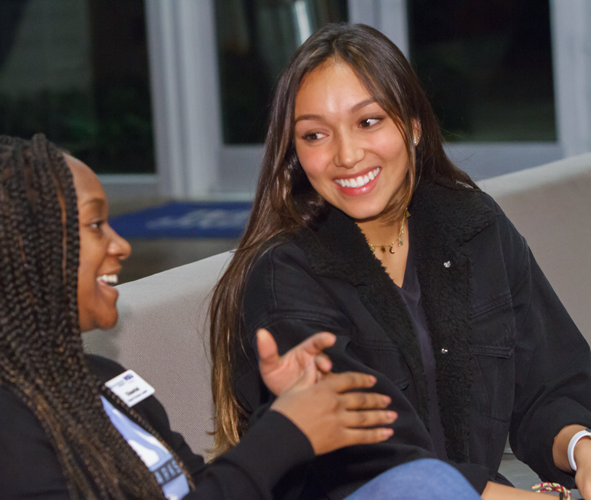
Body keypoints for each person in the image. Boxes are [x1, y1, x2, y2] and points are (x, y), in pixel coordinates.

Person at [0, 134, 481, 500]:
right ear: (24, 251)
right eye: (98, 225)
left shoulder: (96, 380)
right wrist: (283, 436)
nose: (120, 245)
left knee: (424, 486)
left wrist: (289, 411)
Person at [209, 22, 591, 500]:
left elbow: (550, 385)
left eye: (368, 122)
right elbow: (361, 456)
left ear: (412, 125)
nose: (346, 155)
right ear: (294, 154)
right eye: (314, 135)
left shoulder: (472, 226)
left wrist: (582, 449)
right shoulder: (285, 273)